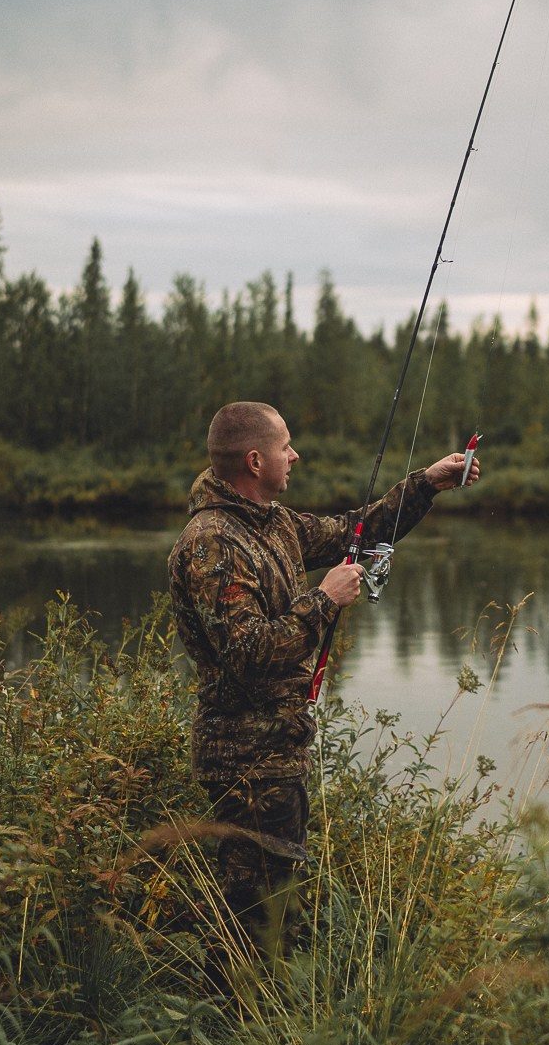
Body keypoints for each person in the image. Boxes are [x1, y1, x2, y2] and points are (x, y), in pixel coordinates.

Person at [168, 401, 478, 956]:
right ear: (256, 461)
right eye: (286, 446)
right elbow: (247, 652)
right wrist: (324, 601)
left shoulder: (274, 524)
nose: (296, 455)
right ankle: (242, 1026)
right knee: (257, 922)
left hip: (277, 752)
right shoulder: (213, 543)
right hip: (245, 760)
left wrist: (427, 483)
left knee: (273, 911)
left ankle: (256, 1021)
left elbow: (357, 532)